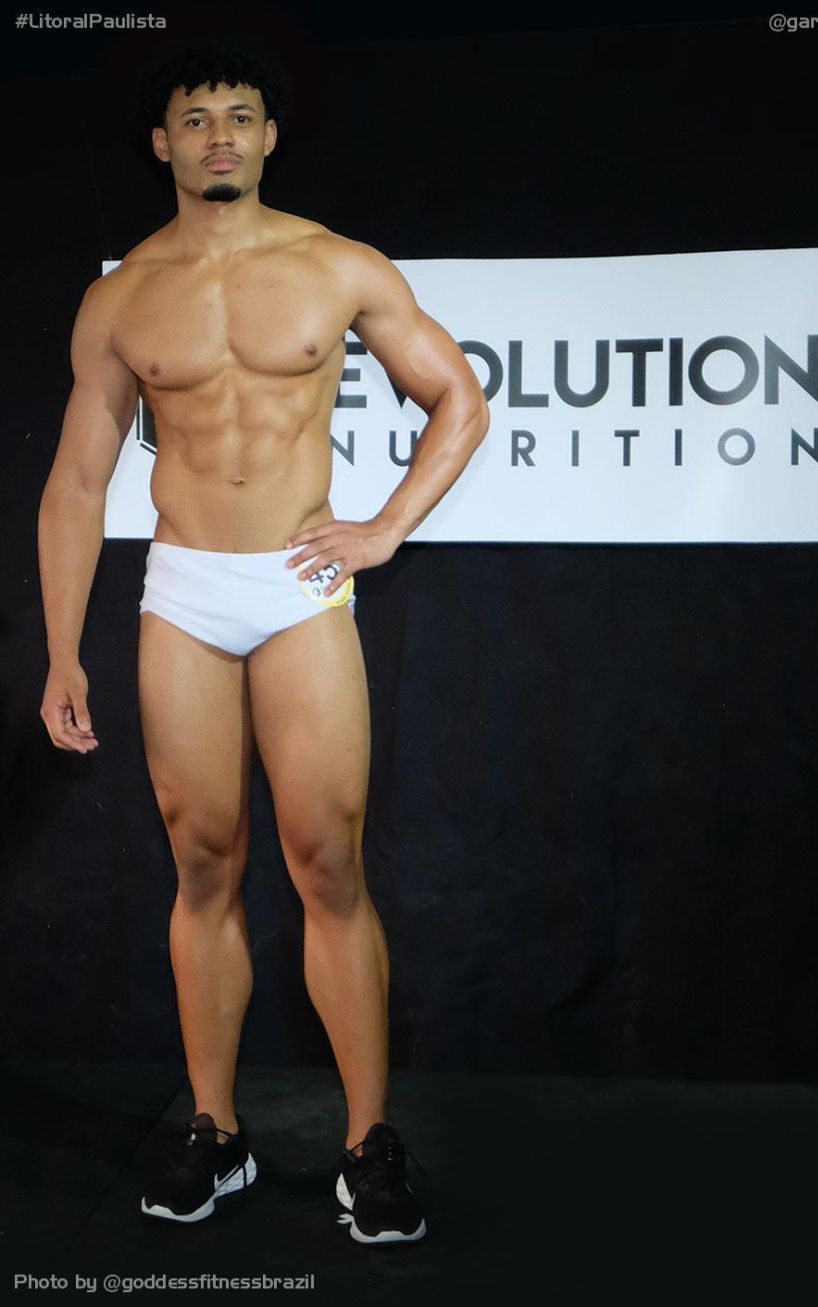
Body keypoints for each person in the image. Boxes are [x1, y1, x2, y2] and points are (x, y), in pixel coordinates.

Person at [36, 38, 489, 1244]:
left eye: (240, 114)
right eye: (196, 118)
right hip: (185, 587)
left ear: (270, 136)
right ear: (163, 143)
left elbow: (459, 396)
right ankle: (217, 1130)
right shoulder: (123, 295)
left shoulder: (336, 265)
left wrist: (385, 526)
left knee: (326, 860)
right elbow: (77, 482)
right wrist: (62, 652)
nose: (220, 135)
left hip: (296, 585)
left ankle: (367, 1141)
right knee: (203, 863)